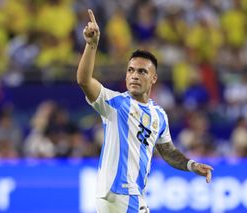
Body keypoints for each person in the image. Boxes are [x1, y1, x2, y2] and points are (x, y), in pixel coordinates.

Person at [76, 9, 214, 213]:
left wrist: (192, 165)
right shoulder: (115, 103)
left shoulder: (159, 115)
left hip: (124, 196)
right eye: (130, 70)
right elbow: (84, 80)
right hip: (121, 193)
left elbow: (168, 151)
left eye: (142, 71)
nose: (134, 75)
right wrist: (91, 45)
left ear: (154, 79)